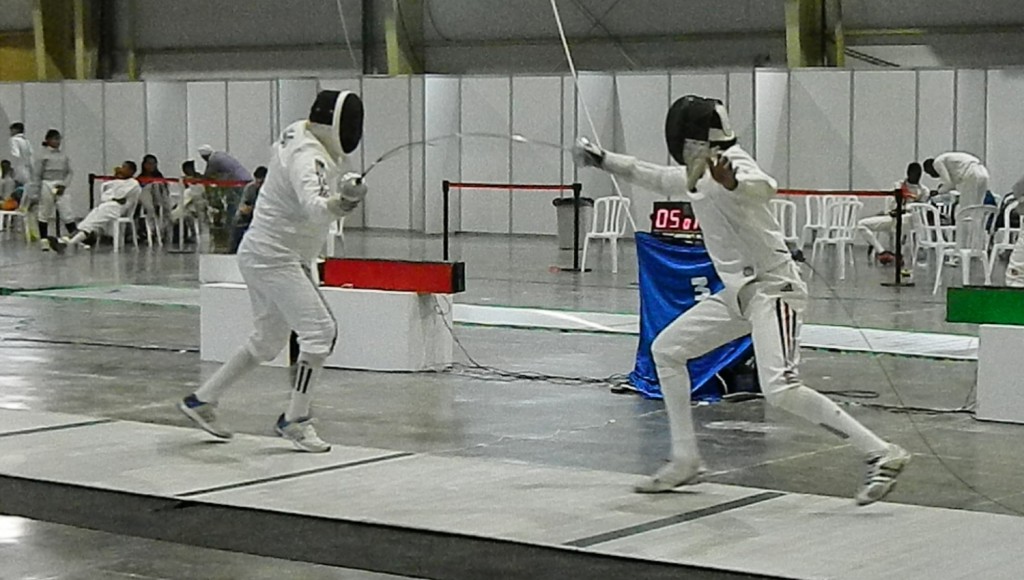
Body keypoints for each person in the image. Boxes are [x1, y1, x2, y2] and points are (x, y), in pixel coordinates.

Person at [574, 95, 909, 506]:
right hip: (739, 296)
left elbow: (763, 186)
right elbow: (656, 177)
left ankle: (882, 453)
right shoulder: (698, 174)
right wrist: (602, 159)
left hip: (775, 289)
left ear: (691, 139)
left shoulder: (732, 164)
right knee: (668, 351)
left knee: (781, 388)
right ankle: (685, 459)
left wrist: (735, 182)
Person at [178, 90, 366, 453]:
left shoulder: (298, 132)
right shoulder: (307, 156)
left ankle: (202, 400)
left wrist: (340, 191)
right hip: (275, 258)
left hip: (268, 253)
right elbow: (316, 208)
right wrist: (343, 201)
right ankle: (295, 420)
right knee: (320, 333)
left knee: (267, 341)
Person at [52, 161, 140, 252]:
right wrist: (115, 193)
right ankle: (66, 242)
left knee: (90, 224)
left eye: (124, 167)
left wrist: (114, 198)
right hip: (105, 206)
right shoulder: (116, 182)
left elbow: (119, 197)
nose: (121, 169)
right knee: (87, 223)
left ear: (131, 171)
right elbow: (105, 197)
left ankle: (66, 242)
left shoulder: (133, 183)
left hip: (118, 209)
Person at [858, 162, 929, 265]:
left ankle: (899, 254)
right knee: (861, 224)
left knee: (904, 222)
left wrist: (904, 210)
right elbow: (894, 200)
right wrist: (892, 211)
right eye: (914, 173)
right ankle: (882, 252)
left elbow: (920, 209)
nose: (916, 176)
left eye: (919, 174)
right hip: (891, 217)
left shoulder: (924, 191)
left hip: (909, 220)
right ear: (908, 173)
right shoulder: (899, 185)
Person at [32, 129, 76, 250]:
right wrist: (36, 192)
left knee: (66, 211)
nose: (57, 142)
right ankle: (44, 240)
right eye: (54, 139)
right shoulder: (42, 155)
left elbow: (70, 172)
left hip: (61, 184)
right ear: (48, 140)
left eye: (58, 139)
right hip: (47, 183)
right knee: (45, 211)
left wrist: (64, 185)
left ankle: (76, 238)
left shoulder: (64, 155)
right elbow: (37, 174)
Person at [198, 144, 253, 223]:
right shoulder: (220, 155)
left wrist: (198, 178)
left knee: (234, 204)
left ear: (204, 156)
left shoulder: (213, 160)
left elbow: (208, 175)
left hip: (237, 183)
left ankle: (232, 224)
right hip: (244, 179)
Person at [923, 152, 989, 209]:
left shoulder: (937, 163)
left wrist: (938, 191)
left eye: (929, 173)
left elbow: (949, 183)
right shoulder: (947, 161)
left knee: (966, 208)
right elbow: (953, 185)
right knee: (978, 207)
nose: (931, 176)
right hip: (983, 172)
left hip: (971, 173)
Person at [229, 165, 266, 253]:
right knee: (237, 224)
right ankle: (233, 250)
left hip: (264, 218)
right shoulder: (250, 188)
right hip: (249, 217)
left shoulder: (272, 191)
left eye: (261, 183)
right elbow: (243, 206)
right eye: (257, 182)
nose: (258, 185)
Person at [9, 122, 37, 240]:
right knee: (26, 190)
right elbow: (31, 157)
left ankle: (16, 218)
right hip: (27, 170)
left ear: (15, 130)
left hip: (18, 169)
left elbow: (15, 154)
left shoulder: (14, 140)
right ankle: (22, 212)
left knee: (15, 192)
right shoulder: (26, 141)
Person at [138, 154, 172, 243]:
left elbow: (165, 191)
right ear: (144, 165)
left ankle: (163, 230)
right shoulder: (140, 178)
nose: (152, 166)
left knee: (166, 209)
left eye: (154, 164)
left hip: (159, 199)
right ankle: (151, 230)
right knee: (150, 209)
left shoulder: (159, 177)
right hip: (146, 201)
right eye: (149, 164)